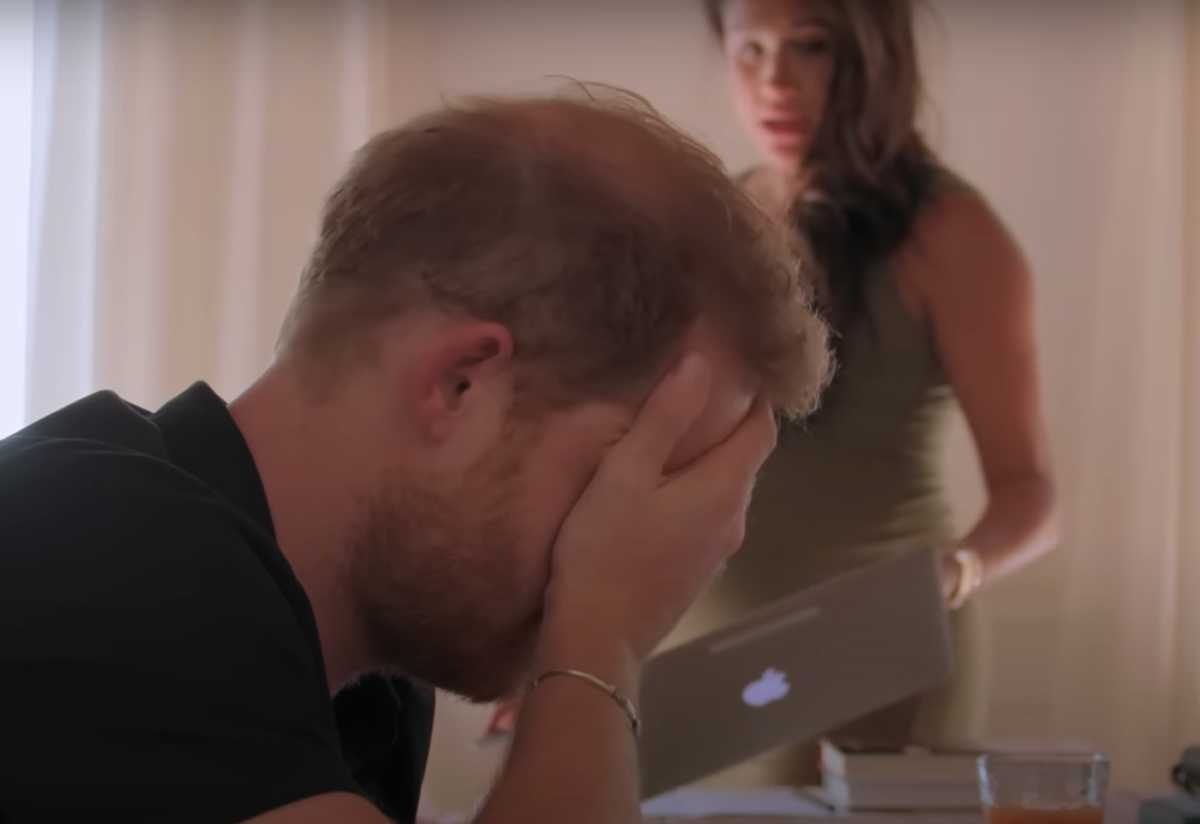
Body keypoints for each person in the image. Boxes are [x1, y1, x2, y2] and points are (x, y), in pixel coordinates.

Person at [0, 89, 831, 822]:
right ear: (461, 384)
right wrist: (598, 642)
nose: (651, 554)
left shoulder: (368, 683)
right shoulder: (100, 548)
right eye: (627, 482)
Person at [674, 0, 1060, 784]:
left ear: (876, 58)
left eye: (810, 47)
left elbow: (1032, 496)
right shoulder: (713, 218)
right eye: (751, 50)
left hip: (871, 657)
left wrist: (951, 574)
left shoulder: (951, 233)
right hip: (702, 666)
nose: (775, 82)